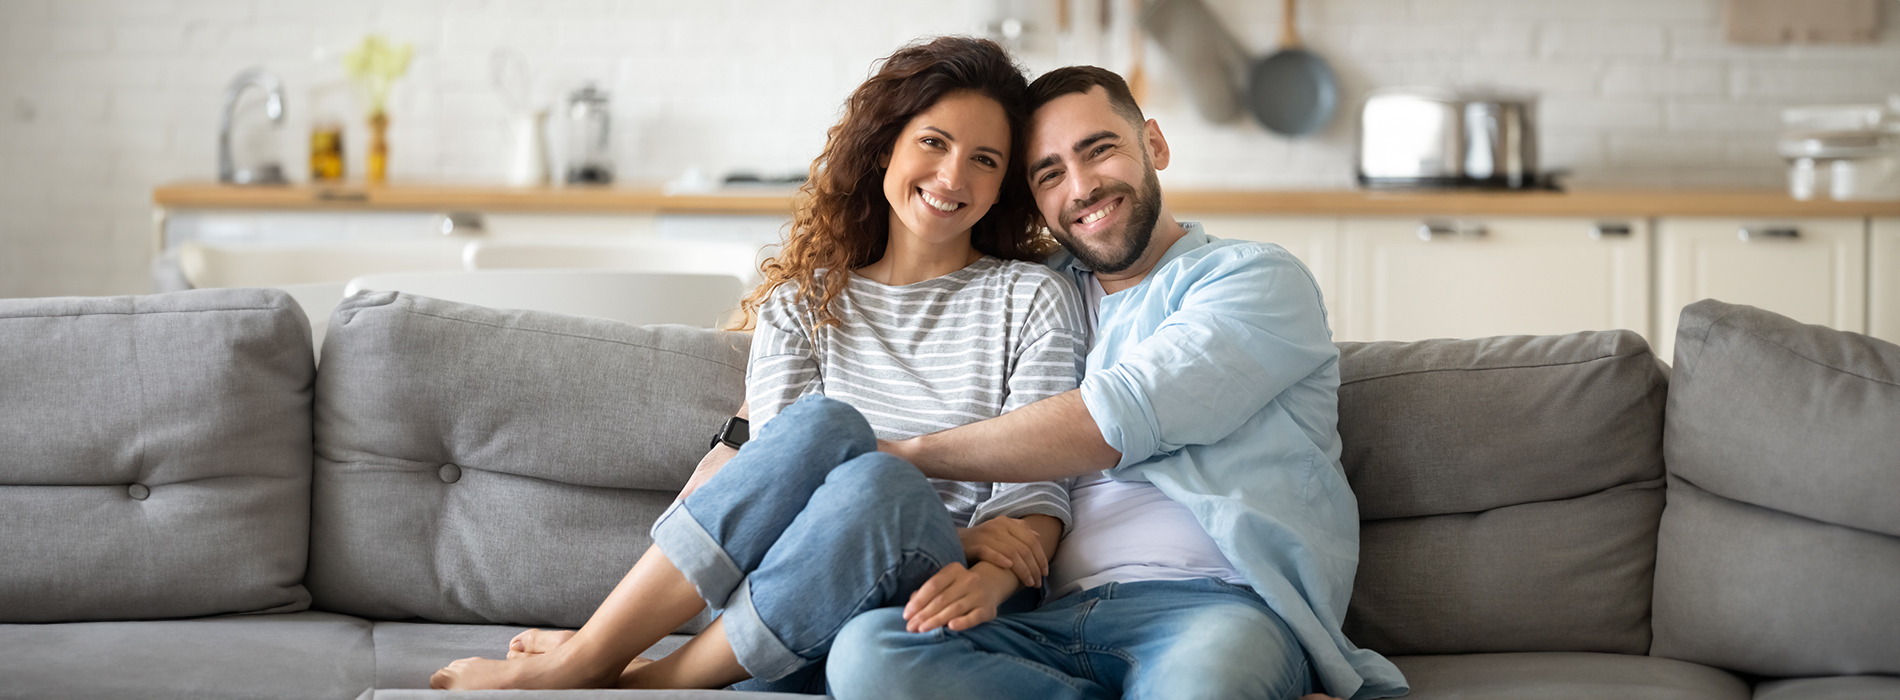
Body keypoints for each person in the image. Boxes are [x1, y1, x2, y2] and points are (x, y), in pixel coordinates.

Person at [429, 36, 1088, 692]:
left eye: (984, 159)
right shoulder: (802, 304)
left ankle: (631, 679)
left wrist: (973, 556)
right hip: (787, 584)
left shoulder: (1032, 298)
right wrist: (965, 530)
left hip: (944, 596)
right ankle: (598, 659)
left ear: (1004, 184)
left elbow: (1034, 493)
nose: (952, 177)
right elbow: (779, 483)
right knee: (826, 428)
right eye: (934, 142)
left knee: (880, 482)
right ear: (886, 145)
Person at [826, 67, 1409, 700]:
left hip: (1214, 610)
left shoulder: (1253, 280)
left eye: (1099, 150)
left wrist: (908, 456)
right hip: (1041, 619)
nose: (1081, 188)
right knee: (867, 656)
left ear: (1153, 146)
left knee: (1198, 688)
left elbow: (1114, 417)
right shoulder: (1032, 296)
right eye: (1049, 174)